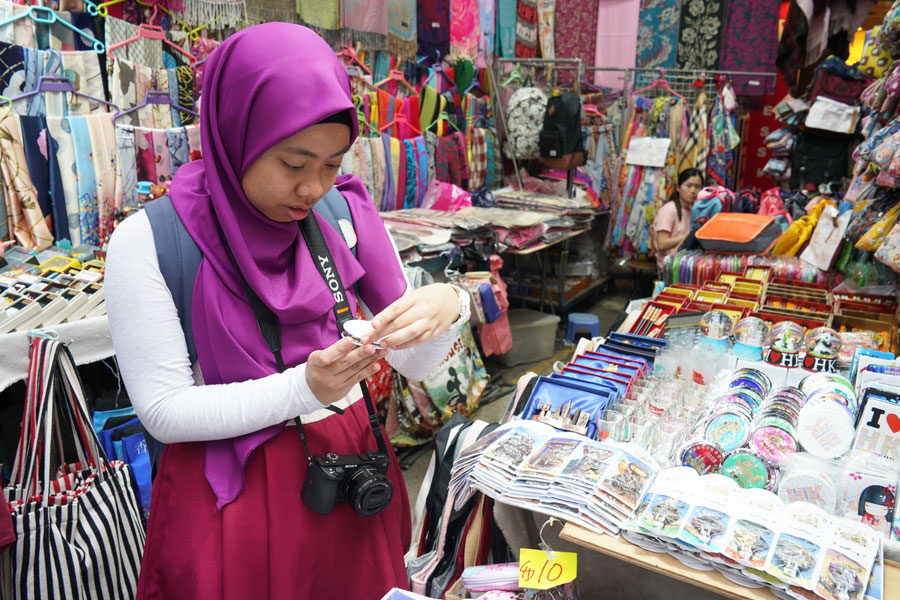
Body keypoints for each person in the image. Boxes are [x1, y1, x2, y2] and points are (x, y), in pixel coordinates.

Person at [104, 24, 469, 599]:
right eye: (293, 163)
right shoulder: (151, 241)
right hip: (232, 496)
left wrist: (452, 304)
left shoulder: (340, 211)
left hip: (345, 474)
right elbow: (164, 411)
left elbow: (416, 364)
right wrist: (303, 388)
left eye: (330, 163)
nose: (311, 187)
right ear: (236, 134)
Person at [652, 168, 704, 268]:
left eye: (697, 187)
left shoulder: (692, 210)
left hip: (682, 265)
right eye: (688, 186)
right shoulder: (669, 210)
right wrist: (688, 236)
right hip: (668, 268)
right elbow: (661, 244)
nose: (693, 191)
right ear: (678, 187)